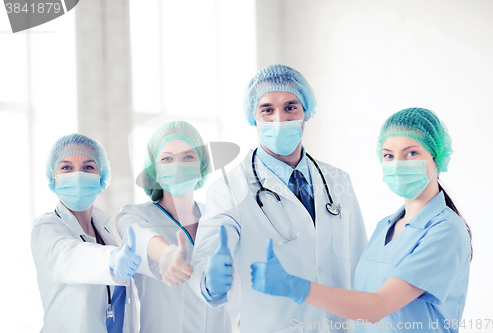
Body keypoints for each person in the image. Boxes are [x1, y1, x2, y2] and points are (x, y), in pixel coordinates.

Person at [251, 108, 472, 333]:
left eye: (411, 153)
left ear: (437, 156)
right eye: (388, 155)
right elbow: (361, 309)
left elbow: (377, 306)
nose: (397, 164)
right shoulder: (385, 226)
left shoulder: (446, 231)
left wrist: (295, 286)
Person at [189, 64, 368, 332]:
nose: (279, 118)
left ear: (305, 111)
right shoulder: (228, 188)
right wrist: (209, 280)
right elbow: (209, 254)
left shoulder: (338, 180)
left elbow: (359, 262)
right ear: (254, 117)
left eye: (290, 107)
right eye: (267, 109)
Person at [115, 121, 240, 332]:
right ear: (154, 169)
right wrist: (165, 255)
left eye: (188, 157)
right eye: (166, 159)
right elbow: (140, 238)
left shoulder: (219, 217)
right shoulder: (135, 215)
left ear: (201, 166)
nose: (178, 165)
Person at [31, 133, 141, 333]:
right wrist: (111, 260)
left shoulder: (105, 228)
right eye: (66, 168)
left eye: (88, 167)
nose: (78, 175)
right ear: (53, 179)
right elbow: (70, 256)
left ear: (102, 178)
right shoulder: (47, 228)